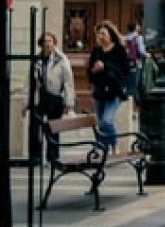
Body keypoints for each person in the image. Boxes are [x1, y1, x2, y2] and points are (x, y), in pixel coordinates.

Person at [25, 32, 77, 163]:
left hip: (55, 97)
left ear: (54, 43)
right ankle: (35, 157)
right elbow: (28, 82)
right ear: (41, 44)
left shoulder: (61, 59)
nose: (47, 44)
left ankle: (52, 156)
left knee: (53, 128)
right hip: (39, 98)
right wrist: (25, 103)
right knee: (35, 127)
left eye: (50, 41)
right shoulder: (36, 59)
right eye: (45, 41)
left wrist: (69, 105)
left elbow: (68, 82)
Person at [87, 21, 130, 153]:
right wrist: (94, 70)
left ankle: (114, 144)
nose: (101, 36)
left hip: (114, 90)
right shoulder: (96, 51)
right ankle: (103, 148)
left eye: (103, 34)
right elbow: (89, 72)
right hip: (99, 90)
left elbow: (125, 70)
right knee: (100, 123)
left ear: (111, 35)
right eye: (99, 34)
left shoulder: (119, 50)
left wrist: (106, 67)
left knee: (106, 120)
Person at [122, 20, 146, 98]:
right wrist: (147, 54)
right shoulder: (138, 37)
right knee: (135, 82)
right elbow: (141, 51)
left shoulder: (125, 38)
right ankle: (133, 101)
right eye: (138, 26)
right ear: (136, 28)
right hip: (136, 63)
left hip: (126, 63)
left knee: (127, 81)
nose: (139, 27)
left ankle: (126, 98)